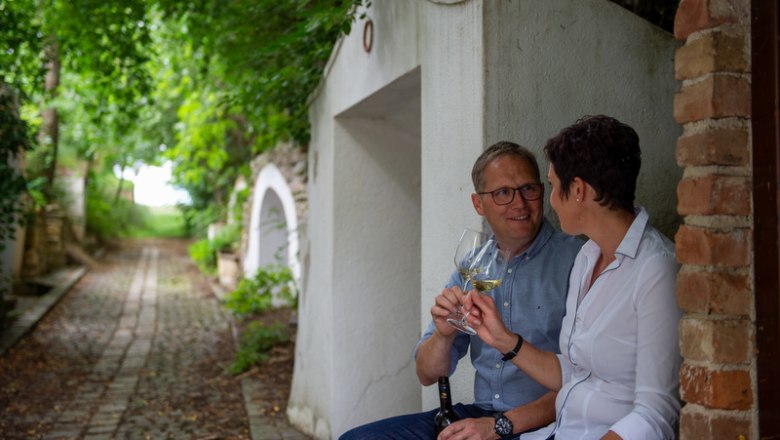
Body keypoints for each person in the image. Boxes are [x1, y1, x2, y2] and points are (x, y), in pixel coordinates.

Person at [339, 141, 583, 439]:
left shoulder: (577, 261)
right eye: (503, 193)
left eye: (528, 189)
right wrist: (444, 334)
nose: (519, 203)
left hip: (546, 424)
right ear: (478, 204)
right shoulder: (474, 265)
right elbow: (427, 373)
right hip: (480, 415)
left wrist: (499, 426)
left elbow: (586, 381)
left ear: (543, 192)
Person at [464, 115, 683, 439]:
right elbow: (574, 373)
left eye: (550, 187)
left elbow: (656, 415)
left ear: (578, 190)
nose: (547, 201)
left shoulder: (656, 269)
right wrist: (502, 339)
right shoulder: (587, 256)